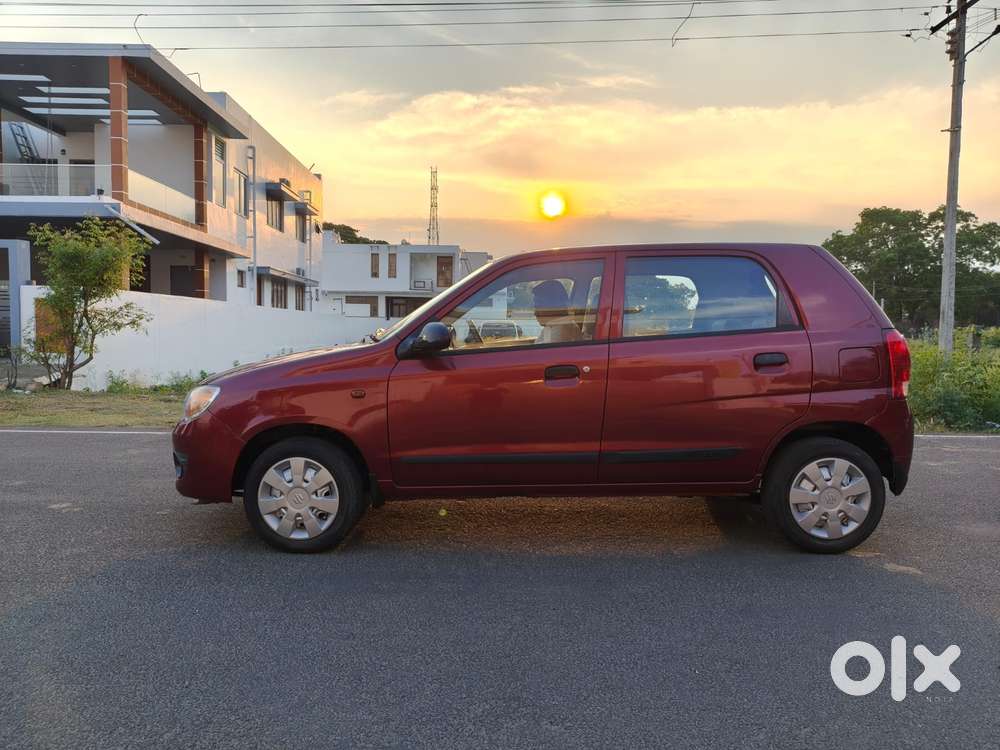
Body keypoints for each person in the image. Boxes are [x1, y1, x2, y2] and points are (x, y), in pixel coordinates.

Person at [532, 279, 582, 344]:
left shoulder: (562, 330)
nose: (535, 313)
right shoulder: (551, 326)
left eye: (538, 307)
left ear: (552, 307)